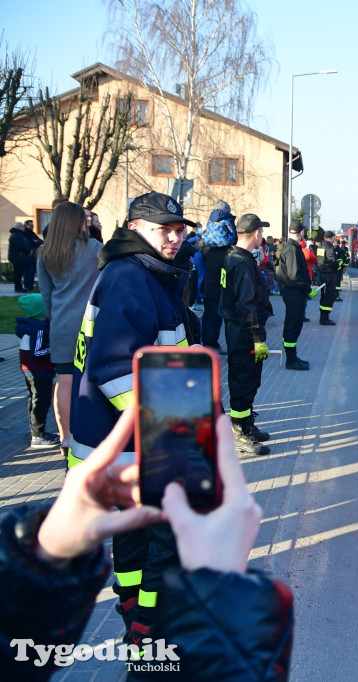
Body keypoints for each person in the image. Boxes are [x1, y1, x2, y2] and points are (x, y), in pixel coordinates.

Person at [0, 408, 294, 681]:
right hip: (159, 460)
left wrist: (38, 560)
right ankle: (147, 636)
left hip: (131, 462)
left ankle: (142, 635)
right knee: (161, 553)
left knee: (143, 553)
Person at [68, 191, 200, 652]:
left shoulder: (143, 273)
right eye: (164, 228)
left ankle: (136, 621)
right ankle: (151, 632)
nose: (175, 236)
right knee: (165, 540)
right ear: (134, 228)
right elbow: (116, 370)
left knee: (137, 540)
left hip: (122, 443)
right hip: (138, 444)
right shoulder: (131, 276)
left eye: (180, 228)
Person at [37, 201, 103, 460]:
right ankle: (91, 433)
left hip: (61, 323)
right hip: (91, 324)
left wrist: (56, 319)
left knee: (64, 382)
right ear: (77, 222)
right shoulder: (95, 249)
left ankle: (66, 437)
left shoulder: (45, 253)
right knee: (90, 381)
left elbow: (45, 293)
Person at [219, 213, 273, 455]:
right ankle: (239, 432)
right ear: (257, 233)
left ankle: (246, 424)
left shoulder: (235, 256)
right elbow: (246, 304)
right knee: (243, 379)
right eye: (261, 231)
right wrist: (257, 337)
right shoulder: (241, 262)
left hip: (238, 328)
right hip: (244, 331)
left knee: (249, 379)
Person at [15, 294, 59, 449]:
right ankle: (38, 437)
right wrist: (55, 349)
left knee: (34, 400)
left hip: (31, 371)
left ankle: (37, 432)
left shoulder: (31, 326)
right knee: (41, 402)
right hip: (39, 371)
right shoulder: (39, 328)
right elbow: (37, 352)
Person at [275, 221, 312, 370]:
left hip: (294, 292)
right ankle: (291, 359)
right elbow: (294, 275)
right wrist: (308, 289)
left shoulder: (292, 247)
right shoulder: (292, 249)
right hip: (293, 293)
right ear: (302, 232)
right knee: (292, 325)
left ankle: (293, 356)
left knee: (295, 324)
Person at [200, 206, 235, 352]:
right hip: (221, 288)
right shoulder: (229, 251)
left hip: (209, 286)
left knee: (210, 318)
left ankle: (209, 344)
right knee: (218, 319)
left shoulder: (207, 249)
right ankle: (211, 346)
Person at [8, 221, 43, 293]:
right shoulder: (15, 235)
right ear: (18, 227)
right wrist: (28, 251)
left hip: (22, 257)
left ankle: (23, 287)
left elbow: (32, 242)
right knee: (18, 273)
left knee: (20, 273)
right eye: (21, 227)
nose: (23, 228)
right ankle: (18, 288)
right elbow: (19, 245)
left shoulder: (21, 235)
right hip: (18, 257)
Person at [316, 230, 339, 326]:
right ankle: (325, 318)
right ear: (332, 238)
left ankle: (322, 317)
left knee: (323, 296)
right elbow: (331, 260)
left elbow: (320, 260)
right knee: (330, 296)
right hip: (329, 274)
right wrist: (337, 266)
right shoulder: (329, 247)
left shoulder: (320, 246)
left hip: (321, 273)